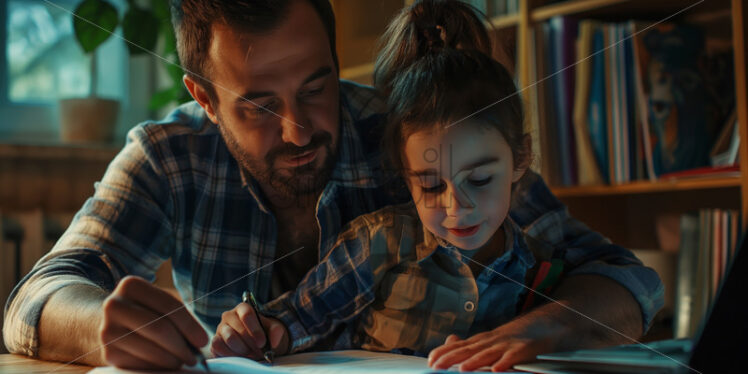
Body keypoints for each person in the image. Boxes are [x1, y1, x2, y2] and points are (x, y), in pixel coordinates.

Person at [2, 0, 662, 371]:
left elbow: (628, 281)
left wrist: (541, 329)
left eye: (316, 86)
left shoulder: (415, 136)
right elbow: (37, 296)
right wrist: (97, 327)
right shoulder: (169, 158)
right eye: (259, 105)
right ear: (203, 96)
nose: (298, 130)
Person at [208, 1, 664, 372]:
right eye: (429, 185)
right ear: (400, 165)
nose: (457, 208)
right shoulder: (381, 237)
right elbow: (302, 313)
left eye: (481, 178)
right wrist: (260, 329)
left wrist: (542, 328)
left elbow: (631, 281)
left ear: (519, 158)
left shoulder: (531, 242)